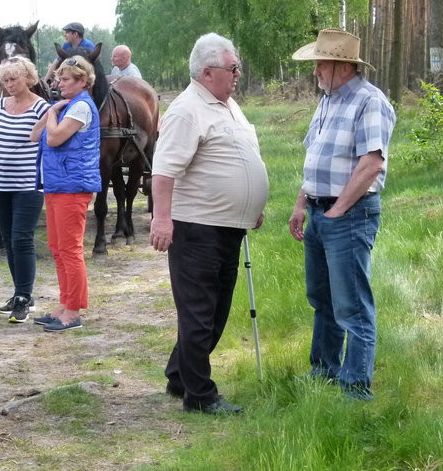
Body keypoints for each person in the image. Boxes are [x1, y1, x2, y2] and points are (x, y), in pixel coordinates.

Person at [149, 33, 269, 415]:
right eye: (233, 68)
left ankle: (179, 376)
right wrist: (162, 219)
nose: (238, 74)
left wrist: (251, 202)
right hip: (196, 227)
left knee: (215, 311)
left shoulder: (229, 106)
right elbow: (164, 169)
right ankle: (199, 396)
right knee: (199, 312)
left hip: (228, 226)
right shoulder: (187, 109)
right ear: (207, 72)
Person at [288, 28, 396, 400]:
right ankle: (324, 372)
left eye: (321, 64)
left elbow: (371, 164)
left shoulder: (370, 101)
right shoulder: (328, 100)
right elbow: (315, 157)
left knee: (352, 305)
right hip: (320, 212)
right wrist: (301, 203)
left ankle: (355, 387)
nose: (315, 71)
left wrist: (336, 211)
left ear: (343, 66)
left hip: (348, 215)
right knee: (322, 300)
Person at [30, 55, 101, 332]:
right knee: (57, 249)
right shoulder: (66, 106)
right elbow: (34, 136)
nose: (59, 83)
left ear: (83, 81)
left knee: (70, 250)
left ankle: (73, 311)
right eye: (59, 79)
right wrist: (52, 111)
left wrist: (51, 114)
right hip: (57, 184)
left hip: (73, 186)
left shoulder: (81, 107)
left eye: (66, 79)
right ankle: (64, 303)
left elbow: (54, 137)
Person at [0, 57, 50, 323]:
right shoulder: (0, 105)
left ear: (28, 78)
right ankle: (19, 293)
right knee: (8, 239)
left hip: (28, 184)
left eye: (13, 79)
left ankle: (24, 297)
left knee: (22, 239)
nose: (9, 84)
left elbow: (48, 144)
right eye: (5, 80)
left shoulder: (42, 108)